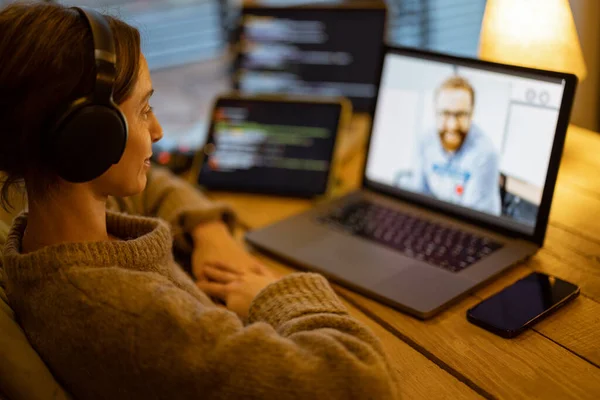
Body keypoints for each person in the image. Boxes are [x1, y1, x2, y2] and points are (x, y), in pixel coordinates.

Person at [0, 3, 397, 399]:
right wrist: (272, 296)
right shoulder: (128, 317)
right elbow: (362, 381)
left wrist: (209, 231)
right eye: (143, 110)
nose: (157, 131)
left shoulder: (55, 225)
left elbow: (156, 185)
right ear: (88, 137)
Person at [409, 76, 501, 215]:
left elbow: (472, 219)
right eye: (445, 113)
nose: (452, 125)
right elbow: (417, 196)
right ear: (435, 113)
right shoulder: (425, 141)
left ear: (472, 114)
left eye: (461, 115)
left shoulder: (485, 154)